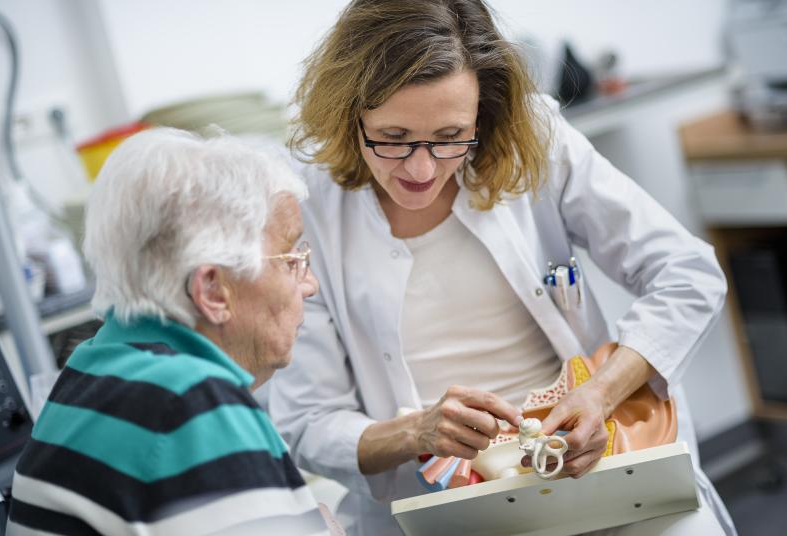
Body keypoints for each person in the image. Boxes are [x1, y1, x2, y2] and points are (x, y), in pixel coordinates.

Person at [266, 1, 737, 534]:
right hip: (438, 505)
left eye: (449, 138)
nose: (422, 169)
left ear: (483, 116)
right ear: (348, 113)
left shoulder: (532, 141)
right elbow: (308, 424)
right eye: (393, 139)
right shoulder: (307, 206)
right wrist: (417, 433)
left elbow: (686, 273)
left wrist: (601, 394)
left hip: (592, 465)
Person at [6, 128, 328, 535]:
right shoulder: (191, 402)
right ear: (212, 290)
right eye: (290, 259)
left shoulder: (90, 366)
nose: (309, 284)